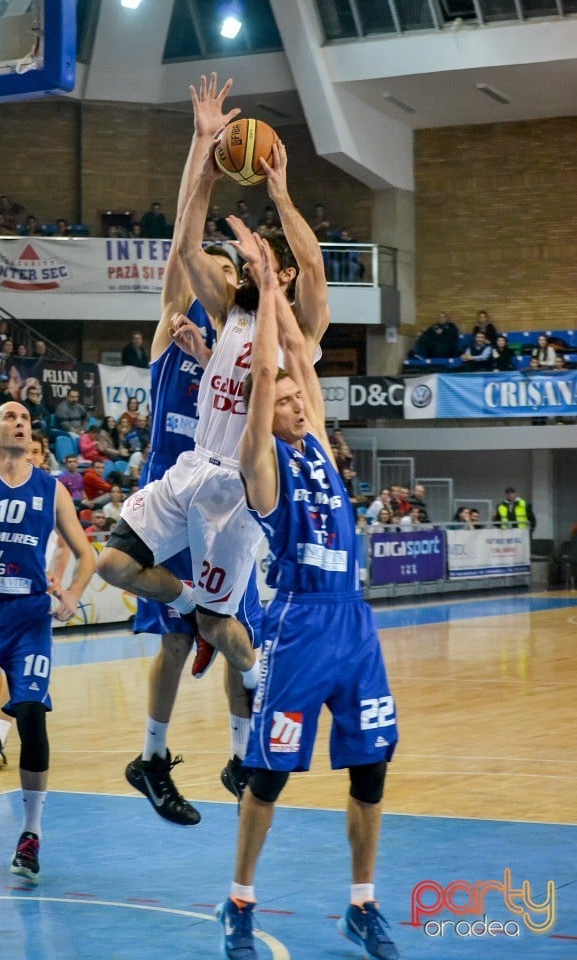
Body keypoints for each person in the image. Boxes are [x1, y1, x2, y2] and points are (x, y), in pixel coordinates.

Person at [97, 72, 329, 741]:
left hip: (243, 488)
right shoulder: (229, 313)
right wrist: (203, 152)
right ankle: (199, 605)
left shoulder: (296, 333)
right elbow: (184, 245)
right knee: (113, 564)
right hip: (192, 468)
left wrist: (281, 196)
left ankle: (253, 686)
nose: (248, 260)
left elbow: (312, 271)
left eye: (262, 259)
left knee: (220, 632)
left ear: (276, 272)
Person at [216, 235, 399, 960]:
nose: (296, 400)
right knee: (269, 774)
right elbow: (267, 371)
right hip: (298, 625)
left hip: (353, 622)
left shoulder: (320, 442)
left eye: (300, 397)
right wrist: (261, 290)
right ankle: (239, 899)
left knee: (372, 768)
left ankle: (363, 903)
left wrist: (282, 294)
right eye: (286, 398)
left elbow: (292, 354)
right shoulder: (259, 462)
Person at [114, 74, 262, 827]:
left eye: (233, 275)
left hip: (225, 507)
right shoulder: (174, 334)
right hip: (172, 501)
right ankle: (154, 756)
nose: (222, 277)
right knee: (177, 642)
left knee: (237, 634)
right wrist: (202, 147)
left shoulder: (237, 359)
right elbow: (181, 242)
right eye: (218, 271)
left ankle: (243, 757)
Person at [0, 402, 95, 881]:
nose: (20, 422)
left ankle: (31, 834)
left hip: (29, 618)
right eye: (10, 416)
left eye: (26, 418)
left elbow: (86, 554)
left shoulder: (51, 489)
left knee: (29, 712)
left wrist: (71, 594)